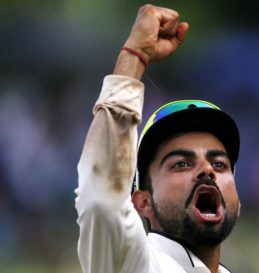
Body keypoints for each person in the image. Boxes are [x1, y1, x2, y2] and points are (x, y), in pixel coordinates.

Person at [75, 4, 241, 273]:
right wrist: (135, 55)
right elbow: (101, 200)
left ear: (237, 202)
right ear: (143, 203)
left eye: (220, 164)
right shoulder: (133, 264)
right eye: (181, 164)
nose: (207, 170)